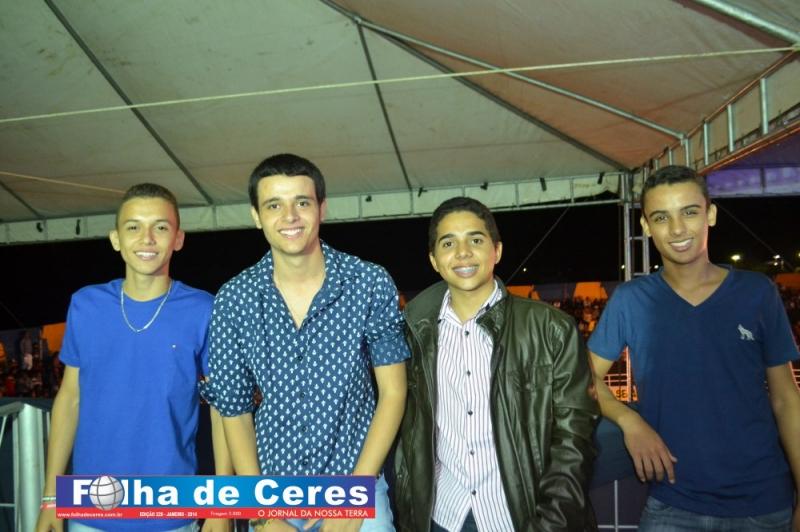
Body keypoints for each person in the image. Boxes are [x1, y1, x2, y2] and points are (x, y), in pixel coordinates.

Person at [204, 153, 409, 532]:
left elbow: (393, 393)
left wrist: (354, 498)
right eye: (273, 205)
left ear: (322, 208)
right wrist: (261, 512)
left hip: (355, 483)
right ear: (256, 215)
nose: (290, 216)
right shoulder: (234, 298)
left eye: (302, 202)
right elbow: (233, 409)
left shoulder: (368, 282)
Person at [588, 165, 800, 531]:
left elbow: (786, 399)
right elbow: (586, 377)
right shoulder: (631, 300)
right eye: (661, 217)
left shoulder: (757, 292)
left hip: (764, 503)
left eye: (689, 212)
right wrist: (629, 421)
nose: (677, 229)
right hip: (673, 502)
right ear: (646, 226)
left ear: (710, 214)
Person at [395, 197, 599, 531]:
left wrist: (550, 524)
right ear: (434, 260)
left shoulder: (551, 328)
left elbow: (574, 439)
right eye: (449, 243)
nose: (463, 253)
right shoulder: (412, 334)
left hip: (521, 517)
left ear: (497, 251)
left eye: (475, 240)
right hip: (442, 515)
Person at [35, 184, 229, 532]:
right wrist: (51, 496)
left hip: (170, 507)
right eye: (134, 226)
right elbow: (70, 398)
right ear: (116, 238)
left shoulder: (204, 309)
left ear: (178, 239)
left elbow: (223, 408)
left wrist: (221, 504)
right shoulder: (86, 305)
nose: (147, 238)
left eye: (161, 227)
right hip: (90, 505)